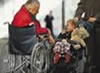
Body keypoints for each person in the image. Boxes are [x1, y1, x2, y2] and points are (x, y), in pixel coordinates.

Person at [74, 0, 100, 72]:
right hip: (88, 26)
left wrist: (97, 18)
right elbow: (81, 5)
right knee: (88, 53)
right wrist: (77, 16)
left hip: (98, 26)